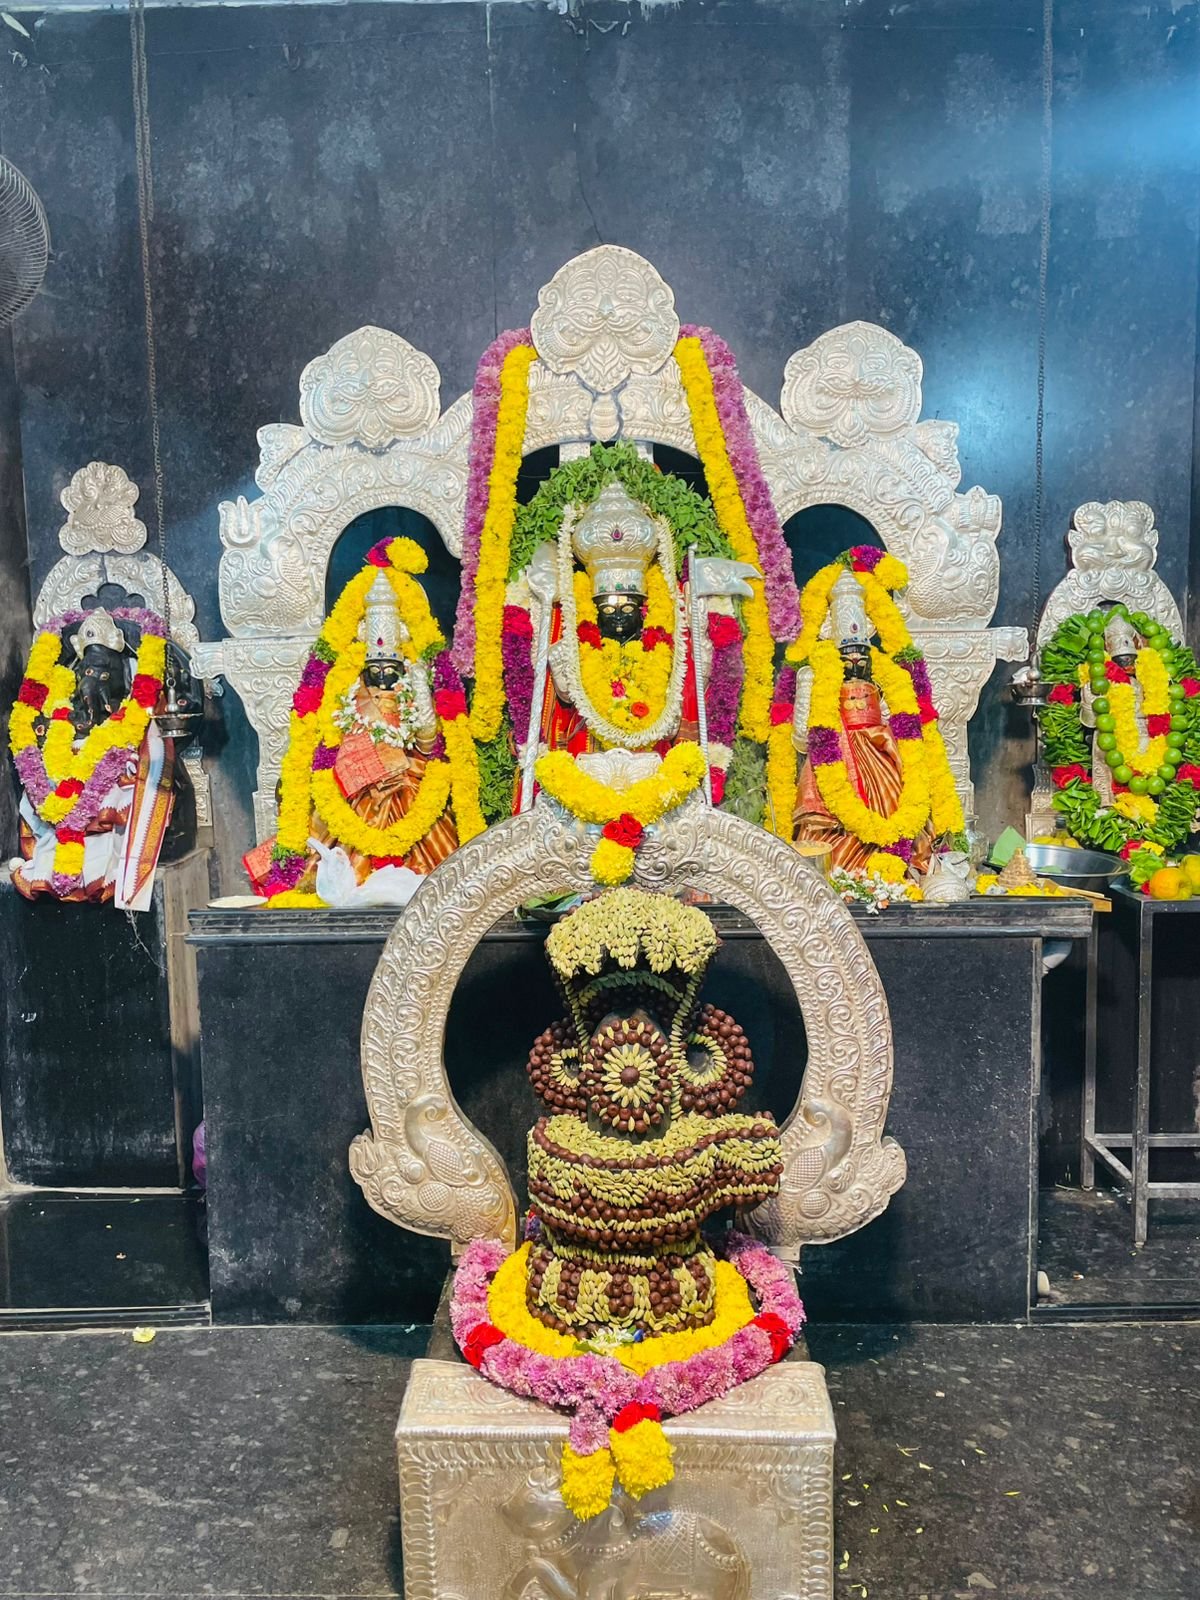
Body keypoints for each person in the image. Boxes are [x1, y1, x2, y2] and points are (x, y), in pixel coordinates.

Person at [792, 571, 934, 872]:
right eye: (847, 654)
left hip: (882, 752)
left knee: (900, 803)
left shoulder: (889, 677)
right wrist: (809, 691)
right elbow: (803, 738)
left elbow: (904, 725)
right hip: (835, 756)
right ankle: (842, 872)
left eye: (861, 654)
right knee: (837, 818)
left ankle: (892, 868)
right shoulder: (815, 676)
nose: (855, 660)